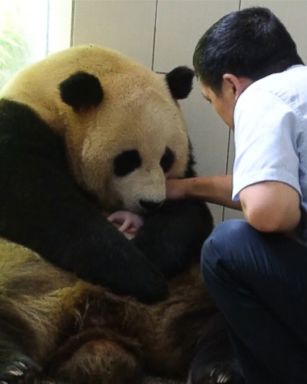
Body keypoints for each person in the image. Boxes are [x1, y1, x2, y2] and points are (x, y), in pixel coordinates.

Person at [166, 7, 307, 384]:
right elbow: (268, 184)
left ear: (231, 85)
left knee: (225, 248)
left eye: (212, 100)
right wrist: (182, 188)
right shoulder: (300, 89)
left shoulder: (261, 97)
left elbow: (268, 209)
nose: (220, 113)